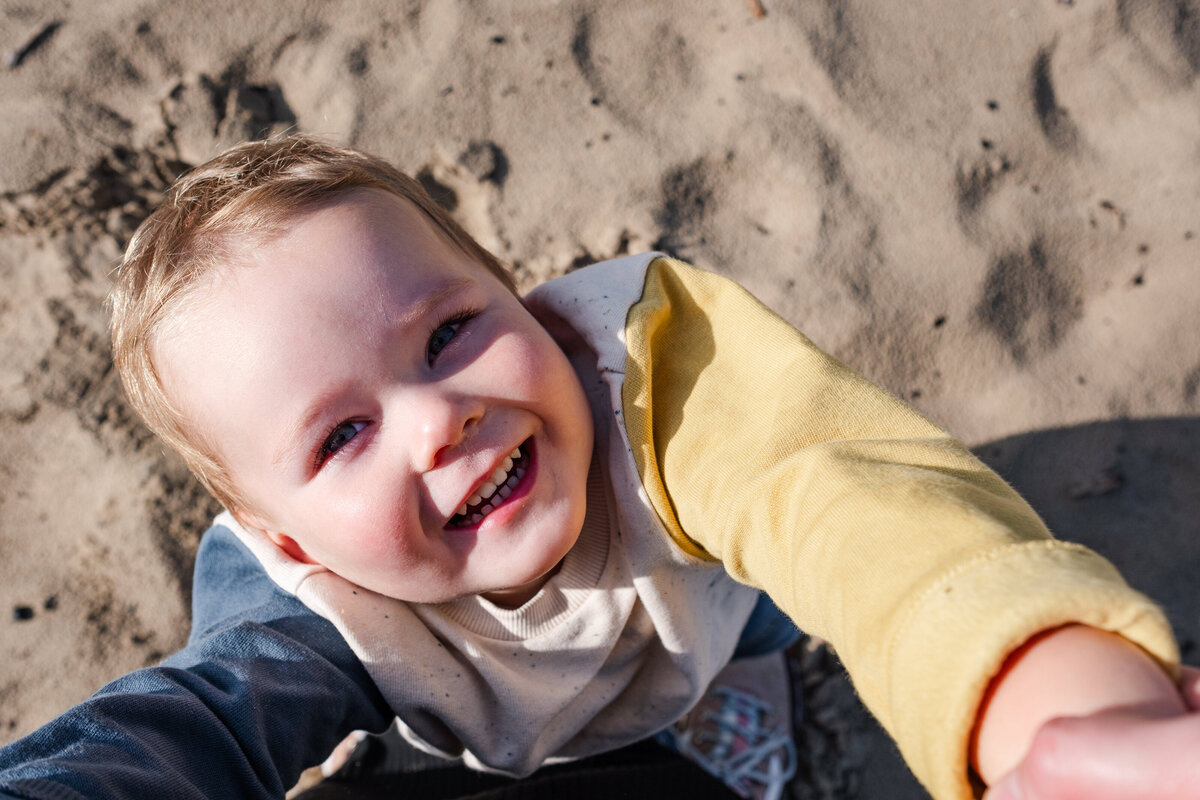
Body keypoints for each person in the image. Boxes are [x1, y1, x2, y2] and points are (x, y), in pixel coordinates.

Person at [0, 134, 1195, 800]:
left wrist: (1063, 712)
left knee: (772, 611)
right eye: (341, 434)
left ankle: (736, 687)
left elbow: (867, 510)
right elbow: (170, 738)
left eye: (450, 330)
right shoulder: (311, 615)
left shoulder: (656, 376)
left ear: (519, 290)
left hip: (702, 602)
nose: (438, 420)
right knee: (580, 756)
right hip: (521, 728)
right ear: (293, 540)